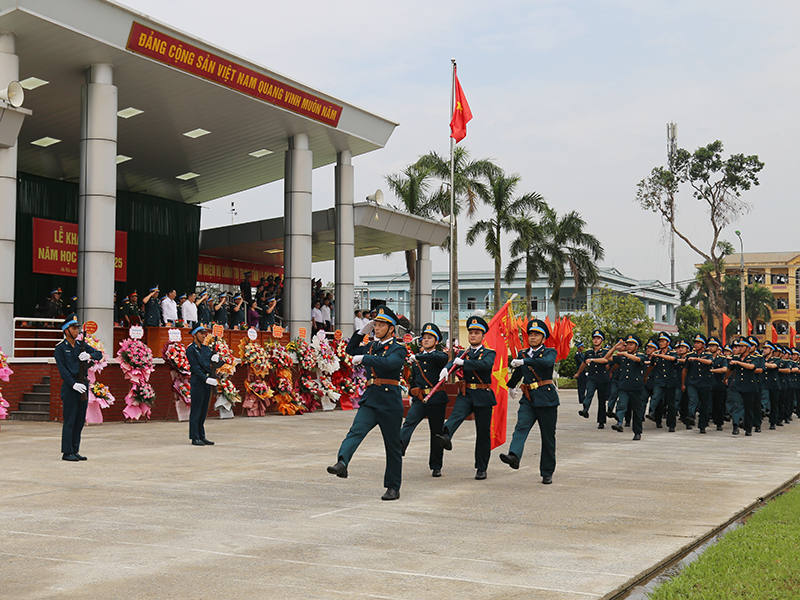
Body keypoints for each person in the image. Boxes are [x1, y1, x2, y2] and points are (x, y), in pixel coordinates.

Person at [327, 305, 406, 500]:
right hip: (371, 400)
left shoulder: (399, 348)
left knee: (392, 446)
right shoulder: (371, 346)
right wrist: (360, 332)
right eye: (375, 324)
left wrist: (366, 358)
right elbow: (350, 349)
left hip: (389, 402)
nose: (376, 328)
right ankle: (342, 463)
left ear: (391, 328)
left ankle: (393, 487)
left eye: (381, 325)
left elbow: (389, 363)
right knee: (355, 431)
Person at [434, 315, 496, 480]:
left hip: (483, 394)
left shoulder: (489, 353)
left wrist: (465, 364)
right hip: (466, 393)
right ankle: (446, 436)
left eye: (476, 333)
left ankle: (481, 467)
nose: (473, 335)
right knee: (456, 415)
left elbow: (486, 365)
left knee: (482, 433)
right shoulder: (463, 353)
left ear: (483, 336)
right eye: (471, 333)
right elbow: (453, 362)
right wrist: (447, 369)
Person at [501, 318, 559, 484]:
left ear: (543, 337)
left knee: (547, 437)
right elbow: (519, 373)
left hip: (547, 399)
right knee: (521, 426)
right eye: (530, 334)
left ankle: (547, 472)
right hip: (528, 399)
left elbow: (546, 363)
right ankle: (514, 455)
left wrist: (524, 361)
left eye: (536, 334)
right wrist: (511, 386)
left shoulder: (550, 352)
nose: (532, 337)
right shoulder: (523, 354)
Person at [400, 322, 449, 477]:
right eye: (424, 338)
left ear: (436, 341)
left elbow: (438, 357)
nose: (426, 340)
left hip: (436, 399)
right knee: (408, 423)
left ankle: (436, 465)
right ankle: (399, 447)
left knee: (436, 432)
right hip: (421, 399)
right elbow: (414, 379)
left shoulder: (440, 355)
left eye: (430, 337)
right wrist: (412, 395)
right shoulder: (417, 360)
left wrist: (418, 356)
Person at [54, 316, 102, 461]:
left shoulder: (81, 345)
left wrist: (89, 354)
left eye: (77, 328)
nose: (77, 331)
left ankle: (75, 450)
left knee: (80, 419)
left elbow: (99, 354)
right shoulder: (60, 348)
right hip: (71, 386)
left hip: (83, 384)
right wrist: (73, 384)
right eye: (74, 328)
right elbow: (63, 371)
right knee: (70, 419)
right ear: (66, 330)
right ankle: (67, 451)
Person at [598, 334, 646, 440]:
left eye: (631, 344)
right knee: (621, 405)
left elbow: (638, 360)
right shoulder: (622, 357)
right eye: (627, 344)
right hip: (624, 386)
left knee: (637, 411)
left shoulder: (640, 355)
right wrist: (615, 348)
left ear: (636, 347)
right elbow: (606, 358)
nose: (629, 346)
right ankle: (619, 423)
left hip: (636, 388)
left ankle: (637, 432)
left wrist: (624, 353)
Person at [186, 324, 219, 446]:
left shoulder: (206, 349)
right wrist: (206, 379)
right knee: (196, 409)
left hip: (207, 380)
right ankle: (195, 437)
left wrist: (217, 359)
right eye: (201, 333)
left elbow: (210, 364)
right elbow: (195, 367)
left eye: (205, 333)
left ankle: (201, 435)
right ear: (195, 335)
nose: (204, 336)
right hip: (198, 380)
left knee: (204, 409)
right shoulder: (191, 349)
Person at [576, 329, 610, 429]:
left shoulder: (605, 352)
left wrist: (592, 360)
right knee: (589, 392)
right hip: (592, 377)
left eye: (598, 338)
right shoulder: (588, 352)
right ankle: (585, 409)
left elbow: (606, 361)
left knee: (601, 400)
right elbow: (584, 363)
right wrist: (578, 373)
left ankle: (601, 421)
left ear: (602, 341)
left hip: (602, 378)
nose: (596, 340)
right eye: (594, 338)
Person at [726, 338, 760, 435]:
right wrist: (725, 378)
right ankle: (735, 426)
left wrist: (738, 363)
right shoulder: (735, 358)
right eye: (739, 346)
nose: (740, 348)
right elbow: (730, 370)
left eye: (742, 346)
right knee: (736, 405)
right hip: (737, 386)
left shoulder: (754, 358)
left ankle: (748, 428)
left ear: (748, 348)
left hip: (749, 386)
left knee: (748, 407)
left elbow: (751, 367)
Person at [682, 333, 714, 433]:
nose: (696, 345)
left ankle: (702, 425)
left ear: (703, 345)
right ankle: (691, 416)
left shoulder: (708, 355)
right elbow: (685, 370)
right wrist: (683, 383)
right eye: (695, 343)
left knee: (704, 404)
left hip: (705, 383)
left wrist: (696, 359)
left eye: (698, 343)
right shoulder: (690, 356)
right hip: (692, 382)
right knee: (693, 399)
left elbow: (709, 362)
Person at [647, 332, 679, 431]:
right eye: (660, 341)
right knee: (655, 397)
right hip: (659, 380)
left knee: (670, 404)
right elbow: (651, 366)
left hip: (670, 381)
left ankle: (671, 424)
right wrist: (646, 375)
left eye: (663, 341)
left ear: (668, 343)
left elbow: (673, 359)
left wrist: (660, 355)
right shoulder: (655, 354)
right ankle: (652, 412)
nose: (660, 343)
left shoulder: (672, 352)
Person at [574, 340, 586, 406]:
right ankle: (581, 399)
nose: (583, 348)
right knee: (581, 386)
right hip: (580, 371)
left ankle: (583, 397)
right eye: (582, 347)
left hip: (583, 372)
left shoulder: (582, 354)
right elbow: (582, 363)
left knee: (583, 385)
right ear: (579, 347)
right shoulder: (577, 355)